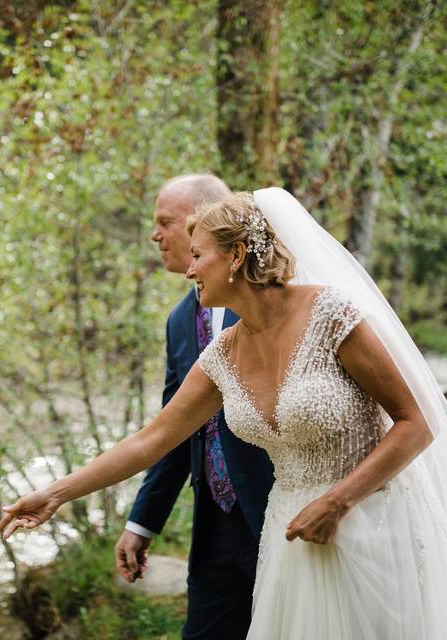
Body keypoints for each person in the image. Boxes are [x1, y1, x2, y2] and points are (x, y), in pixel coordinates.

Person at [0, 188, 447, 639]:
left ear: (237, 256)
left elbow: (418, 423)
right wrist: (54, 493)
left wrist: (338, 501)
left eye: (199, 256)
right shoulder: (222, 354)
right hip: (289, 537)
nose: (190, 269)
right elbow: (151, 440)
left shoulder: (333, 314)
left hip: (373, 522)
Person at [118, 174, 274, 640]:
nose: (155, 235)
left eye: (164, 222)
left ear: (200, 224)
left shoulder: (275, 303)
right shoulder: (180, 321)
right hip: (214, 525)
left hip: (280, 514)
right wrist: (142, 522)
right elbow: (174, 429)